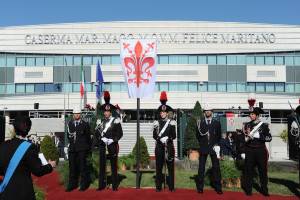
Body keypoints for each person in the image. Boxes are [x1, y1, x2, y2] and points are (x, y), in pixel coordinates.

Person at [0, 115, 55, 200]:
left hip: (6, 193)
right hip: (24, 193)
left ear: (14, 128)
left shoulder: (3, 145)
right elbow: (38, 171)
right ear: (28, 129)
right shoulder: (29, 147)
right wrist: (50, 166)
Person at [95, 91, 123, 191]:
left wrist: (113, 140)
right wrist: (101, 138)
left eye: (108, 111)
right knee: (102, 166)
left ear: (110, 112)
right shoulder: (100, 121)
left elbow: (120, 133)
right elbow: (97, 134)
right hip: (103, 145)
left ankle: (114, 185)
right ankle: (101, 185)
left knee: (113, 165)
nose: (106, 113)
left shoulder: (115, 120)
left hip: (112, 145)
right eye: (105, 111)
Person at [243, 107, 272, 196]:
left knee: (262, 171)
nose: (250, 116)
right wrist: (246, 139)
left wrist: (258, 135)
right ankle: (248, 190)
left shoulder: (264, 125)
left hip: (260, 151)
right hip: (250, 150)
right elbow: (243, 138)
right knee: (248, 171)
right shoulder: (247, 125)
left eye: (252, 114)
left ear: (257, 115)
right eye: (250, 114)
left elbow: (269, 138)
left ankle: (264, 190)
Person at [195, 104, 223, 194]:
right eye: (206, 110)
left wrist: (217, 145)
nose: (207, 112)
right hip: (203, 148)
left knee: (216, 168)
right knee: (201, 168)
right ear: (204, 112)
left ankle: (218, 187)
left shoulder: (216, 123)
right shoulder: (200, 123)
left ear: (212, 112)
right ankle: (200, 187)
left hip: (214, 148)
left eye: (209, 110)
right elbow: (198, 135)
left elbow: (219, 136)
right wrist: (203, 143)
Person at [152, 91, 176, 192]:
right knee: (159, 167)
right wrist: (159, 138)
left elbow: (174, 135)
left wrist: (168, 138)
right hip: (159, 147)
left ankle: (171, 186)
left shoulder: (172, 122)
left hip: (169, 146)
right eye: (161, 112)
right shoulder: (156, 122)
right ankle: (158, 186)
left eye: (164, 112)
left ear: (167, 113)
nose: (162, 114)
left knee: (170, 167)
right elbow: (154, 135)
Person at [66, 107, 91, 192]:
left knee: (82, 167)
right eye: (75, 114)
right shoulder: (70, 124)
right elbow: (68, 136)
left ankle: (84, 184)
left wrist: (88, 149)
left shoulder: (85, 124)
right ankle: (72, 184)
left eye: (78, 113)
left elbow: (88, 137)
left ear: (80, 114)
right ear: (73, 115)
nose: (76, 115)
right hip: (72, 149)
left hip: (82, 149)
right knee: (72, 167)